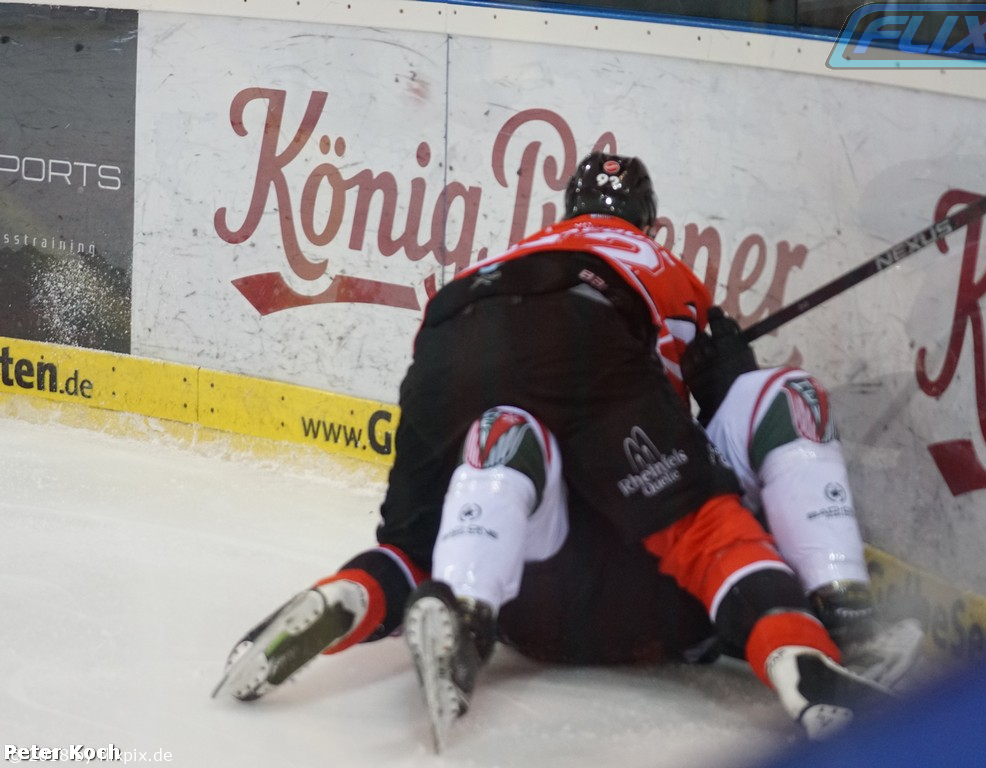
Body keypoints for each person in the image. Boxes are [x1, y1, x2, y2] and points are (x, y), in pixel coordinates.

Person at [214, 152, 907, 750]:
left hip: (453, 332)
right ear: (649, 223)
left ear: (569, 211)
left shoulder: (522, 251)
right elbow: (716, 402)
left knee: (465, 483)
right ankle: (823, 629)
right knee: (728, 480)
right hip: (587, 340)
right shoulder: (662, 266)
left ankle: (404, 601)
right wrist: (722, 357)